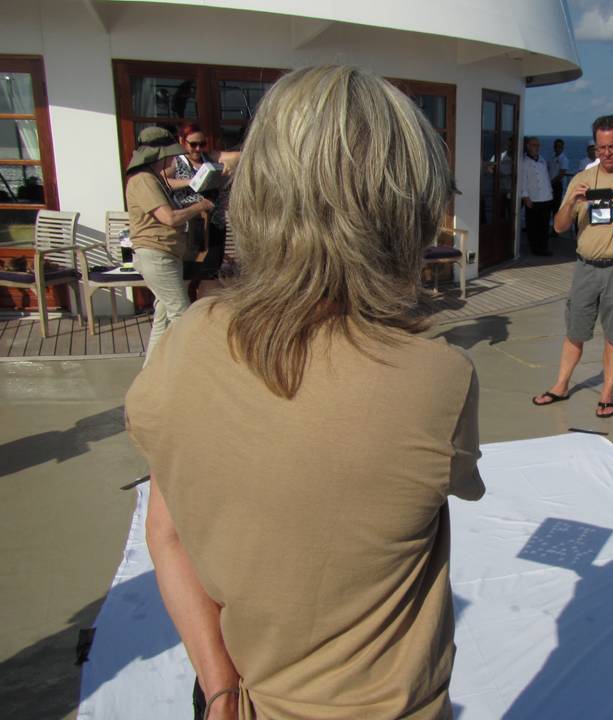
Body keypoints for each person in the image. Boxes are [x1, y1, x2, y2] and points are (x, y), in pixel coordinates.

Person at [127, 66, 485, 720]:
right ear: (399, 215)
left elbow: (168, 533)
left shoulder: (185, 347)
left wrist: (221, 686)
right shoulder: (439, 379)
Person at [532, 114, 613, 418]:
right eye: (601, 148)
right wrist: (572, 202)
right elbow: (560, 227)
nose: (606, 154)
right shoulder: (581, 178)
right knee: (575, 329)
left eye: (612, 147)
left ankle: (606, 393)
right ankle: (561, 385)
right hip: (585, 266)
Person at [124, 126, 214, 362]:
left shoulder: (153, 179)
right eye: (171, 154)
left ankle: (151, 373)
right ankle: (187, 374)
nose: (175, 158)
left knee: (163, 319)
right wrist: (199, 207)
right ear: (158, 156)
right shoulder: (143, 180)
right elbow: (168, 218)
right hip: (156, 255)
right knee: (182, 315)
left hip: (166, 254)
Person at [163, 122, 241, 295]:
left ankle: (205, 306)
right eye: (193, 145)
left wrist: (229, 166)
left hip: (215, 222)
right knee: (193, 270)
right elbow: (160, 180)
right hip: (194, 224)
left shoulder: (210, 157)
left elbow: (240, 156)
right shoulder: (177, 161)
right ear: (182, 142)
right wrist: (190, 181)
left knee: (211, 270)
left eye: (202, 144)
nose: (198, 149)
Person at [521, 136, 554, 256]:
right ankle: (535, 248)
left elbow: (546, 178)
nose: (536, 148)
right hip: (533, 198)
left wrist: (550, 193)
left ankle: (544, 247)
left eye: (538, 145)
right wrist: (525, 197)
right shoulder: (524, 162)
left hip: (546, 197)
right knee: (533, 226)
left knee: (544, 225)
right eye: (534, 145)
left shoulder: (542, 160)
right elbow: (522, 180)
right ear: (528, 146)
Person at [548, 138, 570, 223]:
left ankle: (556, 229)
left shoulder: (564, 159)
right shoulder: (552, 158)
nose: (558, 148)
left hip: (557, 186)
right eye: (556, 146)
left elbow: (561, 174)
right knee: (549, 207)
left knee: (556, 208)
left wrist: (550, 183)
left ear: (563, 148)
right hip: (550, 185)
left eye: (560, 147)